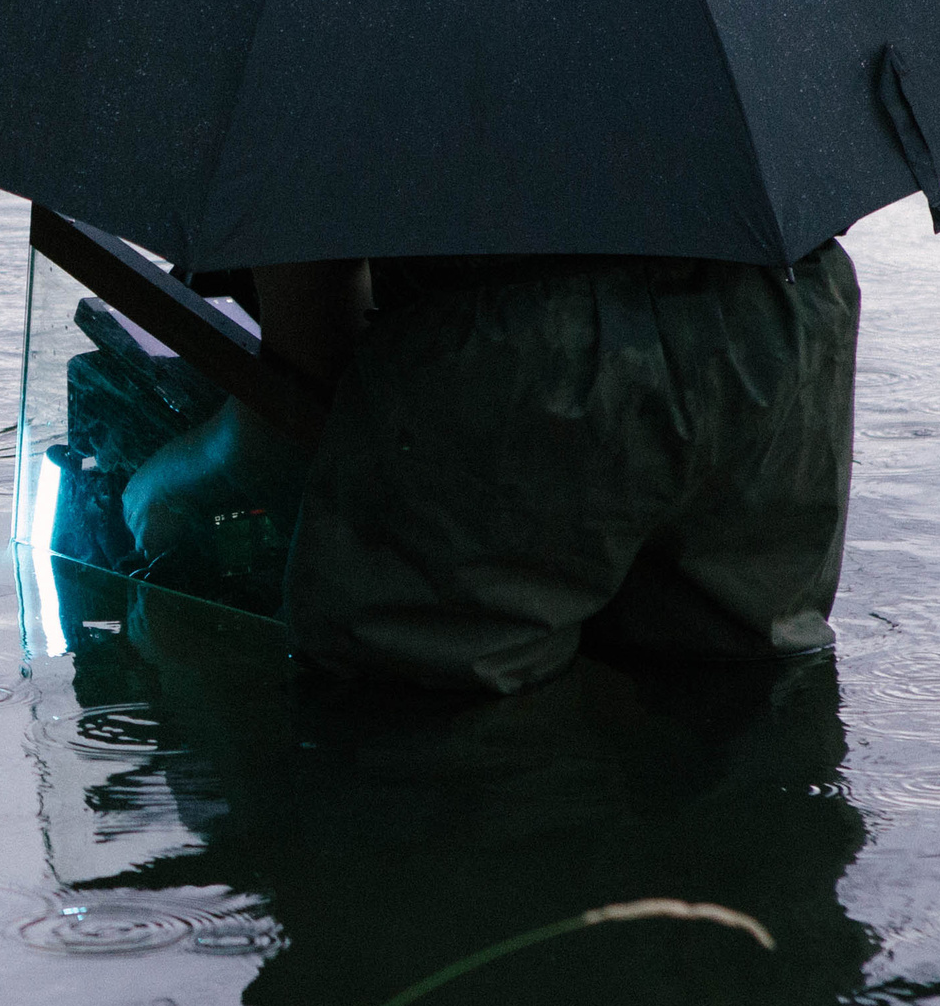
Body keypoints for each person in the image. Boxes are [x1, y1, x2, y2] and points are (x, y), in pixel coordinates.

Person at [127, 248, 858, 696]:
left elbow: (305, 367)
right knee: (747, 703)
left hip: (512, 355)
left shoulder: (333, 16)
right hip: (782, 314)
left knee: (447, 762)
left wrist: (168, 483)